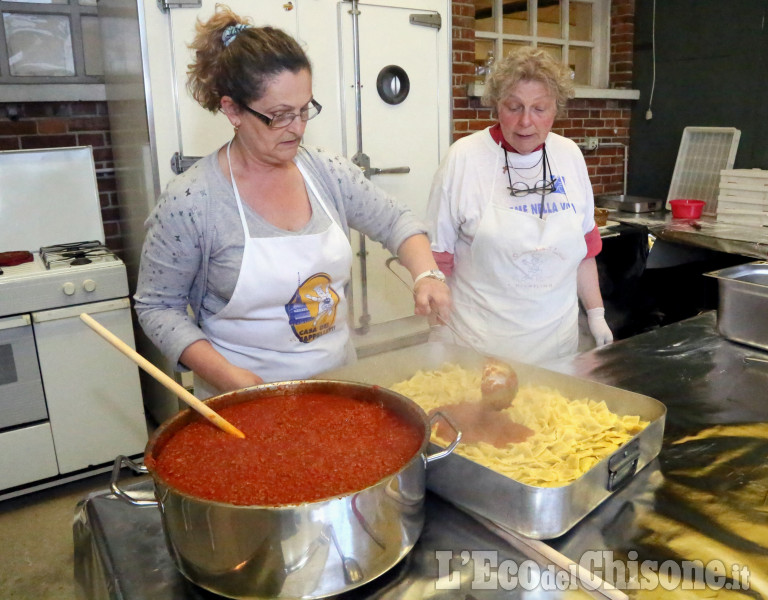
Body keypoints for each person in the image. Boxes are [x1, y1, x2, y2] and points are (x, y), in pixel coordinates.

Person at [134, 5, 451, 398]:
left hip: (337, 388)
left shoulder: (327, 173)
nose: (298, 128)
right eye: (279, 115)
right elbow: (157, 306)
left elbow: (395, 221)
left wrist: (426, 274)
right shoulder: (192, 201)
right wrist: (227, 376)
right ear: (232, 109)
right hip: (240, 402)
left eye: (304, 110)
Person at [426, 46, 612, 363]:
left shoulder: (568, 156)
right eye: (514, 107)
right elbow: (436, 262)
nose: (525, 121)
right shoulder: (465, 157)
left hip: (558, 348)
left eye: (539, 109)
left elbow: (585, 250)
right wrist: (436, 330)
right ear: (497, 105)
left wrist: (596, 314)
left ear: (556, 109)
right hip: (480, 348)